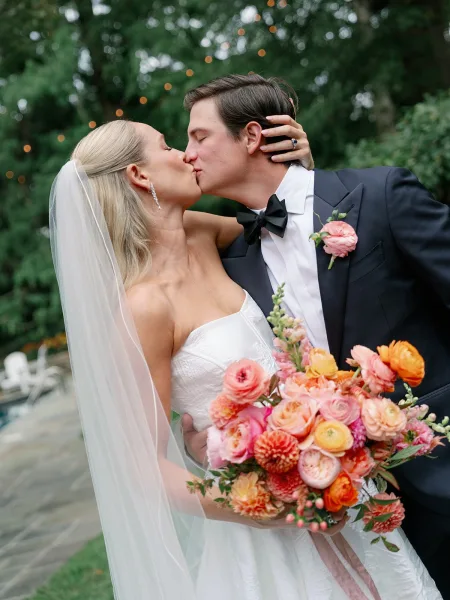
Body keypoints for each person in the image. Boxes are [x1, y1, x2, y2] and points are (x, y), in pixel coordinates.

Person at [50, 112, 441, 598]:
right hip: (262, 523)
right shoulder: (144, 307)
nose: (185, 153)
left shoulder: (202, 234)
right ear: (139, 174)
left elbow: (286, 230)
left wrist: (297, 170)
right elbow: (142, 467)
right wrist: (254, 509)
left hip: (335, 478)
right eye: (167, 145)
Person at [182, 73, 450, 598]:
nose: (188, 153)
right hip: (358, 507)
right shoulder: (230, 259)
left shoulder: (380, 195)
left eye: (199, 136)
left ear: (253, 136)